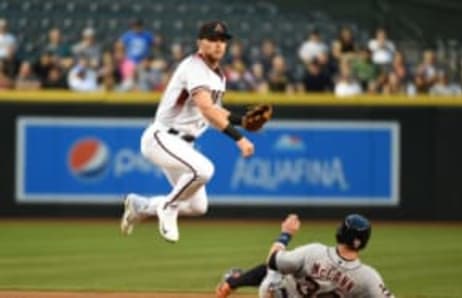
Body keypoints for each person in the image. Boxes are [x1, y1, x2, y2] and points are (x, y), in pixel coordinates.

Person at [120, 21, 256, 243]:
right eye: (212, 39)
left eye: (222, 40)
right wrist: (239, 138)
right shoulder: (194, 66)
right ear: (200, 43)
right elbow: (207, 109)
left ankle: (141, 206)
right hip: (162, 138)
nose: (218, 44)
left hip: (183, 145)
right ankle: (167, 206)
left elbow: (215, 112)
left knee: (197, 206)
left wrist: (244, 121)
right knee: (204, 170)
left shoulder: (219, 76)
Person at [217, 214, 394, 297]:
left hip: (277, 294)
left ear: (340, 233)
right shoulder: (369, 277)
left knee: (276, 266)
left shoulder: (314, 251)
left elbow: (271, 261)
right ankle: (233, 281)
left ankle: (232, 282)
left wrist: (286, 234)